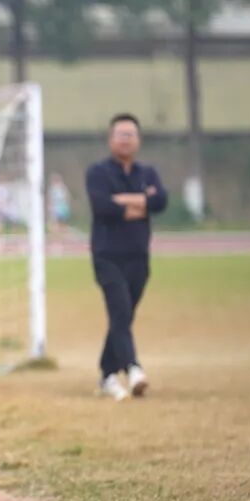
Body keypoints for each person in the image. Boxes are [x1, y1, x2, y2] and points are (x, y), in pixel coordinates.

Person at [86, 113, 168, 401]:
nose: (125, 139)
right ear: (111, 139)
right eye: (120, 134)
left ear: (138, 139)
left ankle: (107, 375)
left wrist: (125, 200)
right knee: (119, 310)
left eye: (130, 134)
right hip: (107, 256)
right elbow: (102, 206)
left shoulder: (148, 173)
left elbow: (160, 201)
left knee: (123, 316)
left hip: (138, 257)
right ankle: (133, 368)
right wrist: (140, 202)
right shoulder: (98, 172)